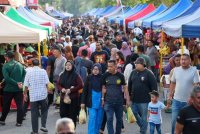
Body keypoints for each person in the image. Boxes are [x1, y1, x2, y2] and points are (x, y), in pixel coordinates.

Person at [168, 54, 200, 134]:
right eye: (181, 59)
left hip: (188, 102)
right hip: (176, 101)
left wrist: (192, 98)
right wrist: (170, 95)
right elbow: (172, 83)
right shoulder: (176, 70)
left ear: (189, 61)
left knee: (187, 124)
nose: (183, 61)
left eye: (185, 59)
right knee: (174, 122)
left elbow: (196, 85)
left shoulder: (194, 71)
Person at [128, 57, 158, 134]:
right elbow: (129, 85)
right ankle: (143, 126)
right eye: (135, 64)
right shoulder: (133, 72)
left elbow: (154, 86)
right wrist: (128, 96)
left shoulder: (148, 73)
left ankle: (142, 131)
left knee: (144, 117)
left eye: (137, 64)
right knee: (134, 113)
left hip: (145, 100)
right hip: (134, 99)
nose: (135, 65)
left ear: (142, 64)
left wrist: (154, 98)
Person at [102, 60, 130, 134]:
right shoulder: (105, 75)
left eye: (111, 66)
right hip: (108, 102)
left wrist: (127, 100)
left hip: (119, 102)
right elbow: (103, 88)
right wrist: (102, 99)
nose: (109, 68)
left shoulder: (120, 76)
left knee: (119, 120)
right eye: (108, 66)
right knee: (109, 119)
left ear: (115, 66)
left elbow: (125, 88)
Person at [23, 59, 49, 134]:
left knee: (34, 114)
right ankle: (43, 126)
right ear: (39, 64)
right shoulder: (43, 71)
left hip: (33, 96)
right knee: (44, 110)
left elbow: (26, 85)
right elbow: (47, 83)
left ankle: (35, 131)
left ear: (32, 64)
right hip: (43, 95)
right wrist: (48, 90)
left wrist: (25, 94)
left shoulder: (28, 72)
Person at [0, 51, 26, 126]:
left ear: (7, 57)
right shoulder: (20, 64)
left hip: (8, 89)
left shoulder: (5, 66)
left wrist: (16, 83)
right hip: (19, 89)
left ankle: (2, 120)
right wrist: (21, 82)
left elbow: (7, 78)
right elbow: (25, 73)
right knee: (20, 105)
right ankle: (19, 122)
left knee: (6, 105)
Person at [57, 61, 83, 126]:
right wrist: (61, 89)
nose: (67, 66)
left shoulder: (76, 75)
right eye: (66, 65)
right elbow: (58, 84)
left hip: (73, 98)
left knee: (72, 115)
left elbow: (81, 85)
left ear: (72, 66)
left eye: (69, 65)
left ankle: (72, 129)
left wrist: (71, 90)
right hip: (63, 98)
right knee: (63, 113)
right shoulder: (62, 75)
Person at [81, 64, 104, 134]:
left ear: (100, 70)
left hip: (101, 102)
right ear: (92, 70)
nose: (95, 71)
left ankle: (96, 132)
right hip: (91, 102)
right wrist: (83, 102)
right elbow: (84, 90)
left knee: (99, 120)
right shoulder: (89, 77)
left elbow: (105, 89)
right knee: (92, 119)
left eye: (97, 69)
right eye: (94, 69)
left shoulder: (103, 77)